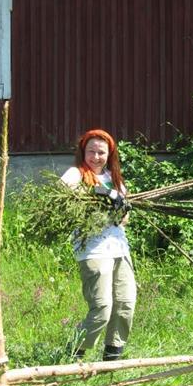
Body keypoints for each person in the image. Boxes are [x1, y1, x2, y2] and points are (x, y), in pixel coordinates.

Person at [61, 129, 137, 361]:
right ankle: (73, 355)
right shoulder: (75, 174)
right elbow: (65, 196)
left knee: (125, 303)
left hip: (119, 248)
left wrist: (121, 209)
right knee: (102, 307)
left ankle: (111, 358)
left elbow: (124, 220)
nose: (96, 157)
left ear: (109, 154)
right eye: (91, 151)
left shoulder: (114, 178)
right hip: (93, 249)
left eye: (101, 152)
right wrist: (101, 198)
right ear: (83, 152)